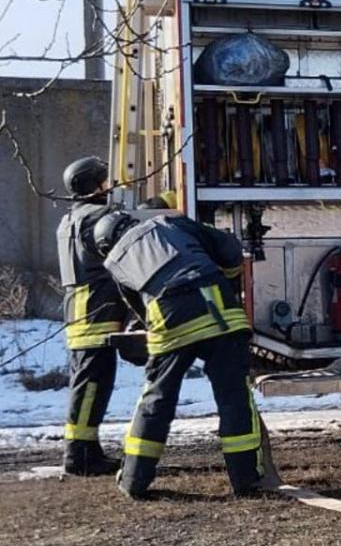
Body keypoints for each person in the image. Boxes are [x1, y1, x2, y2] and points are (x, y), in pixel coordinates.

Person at [91, 208, 265, 499]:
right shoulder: (167, 223)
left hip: (167, 319)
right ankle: (246, 480)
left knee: (156, 399)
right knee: (233, 396)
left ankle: (134, 480)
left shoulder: (115, 261)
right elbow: (229, 249)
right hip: (216, 308)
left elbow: (139, 308)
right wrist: (229, 278)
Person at [55, 157, 126, 476]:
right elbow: (126, 221)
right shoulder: (97, 216)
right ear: (94, 185)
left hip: (79, 307)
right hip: (95, 308)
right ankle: (79, 455)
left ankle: (86, 449)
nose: (110, 186)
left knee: (87, 382)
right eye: (105, 181)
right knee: (92, 384)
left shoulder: (70, 219)